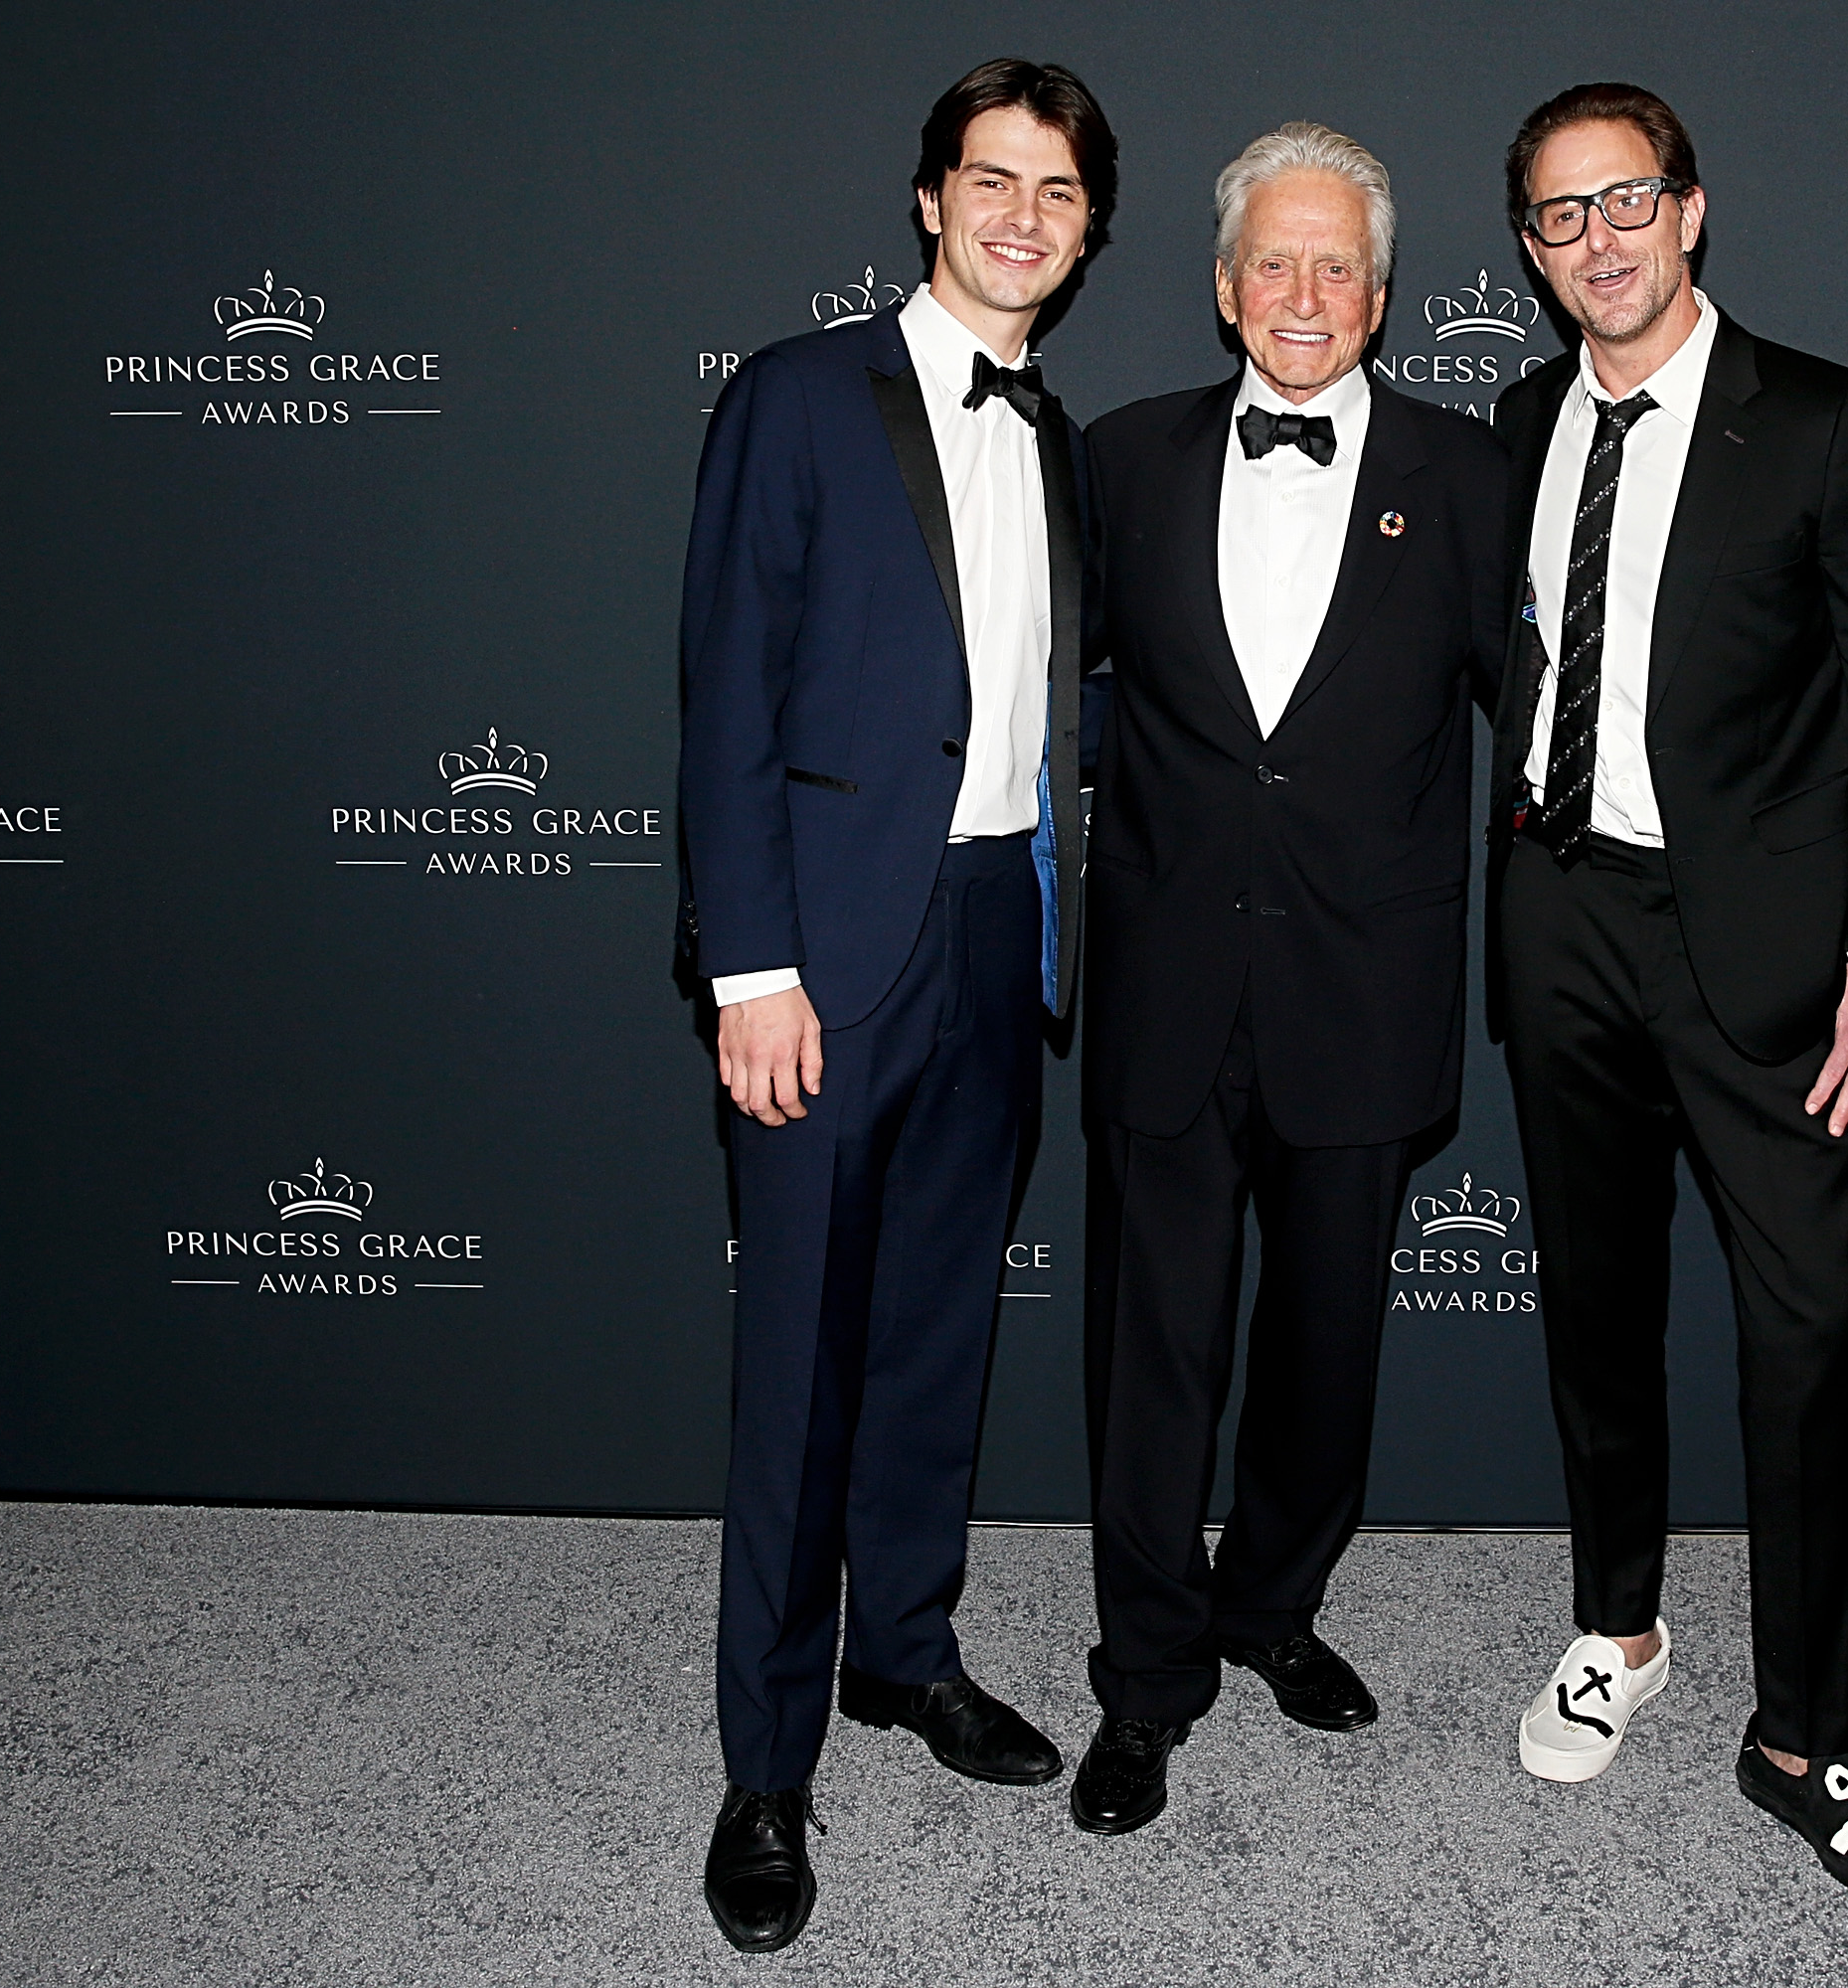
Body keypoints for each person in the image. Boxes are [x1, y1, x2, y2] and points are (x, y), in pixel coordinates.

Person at [1486, 83, 1848, 1907]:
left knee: (1802, 1346)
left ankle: (1804, 1736)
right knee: (1595, 1312)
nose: (1596, 242)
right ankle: (1618, 1631)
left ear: (1691, 212)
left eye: (1625, 204)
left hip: (1769, 958)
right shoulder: (1523, 417)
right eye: (1557, 218)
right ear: (1529, 252)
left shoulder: (1827, 423)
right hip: (1557, 923)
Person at [673, 57, 1109, 1953]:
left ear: (1090, 229)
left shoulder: (1063, 432)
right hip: (828, 950)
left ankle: (902, 1655)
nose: (1024, 213)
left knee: (939, 1332)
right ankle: (766, 1761)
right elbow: (725, 698)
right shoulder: (792, 395)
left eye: (1061, 190)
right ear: (930, 200)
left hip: (1000, 931)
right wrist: (749, 965)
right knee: (802, 1371)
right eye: (990, 179)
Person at [1067, 121, 1513, 1836]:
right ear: (1224, 286)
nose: (1305, 292)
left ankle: (1271, 1607)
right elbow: (1046, 693)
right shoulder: (1123, 459)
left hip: (1363, 993)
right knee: (1151, 1358)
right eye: (1275, 260)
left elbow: (1545, 723)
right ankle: (1147, 1682)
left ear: (1383, 295)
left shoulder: (1468, 478)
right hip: (1169, 987)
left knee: (1329, 1353)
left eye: (1338, 265)